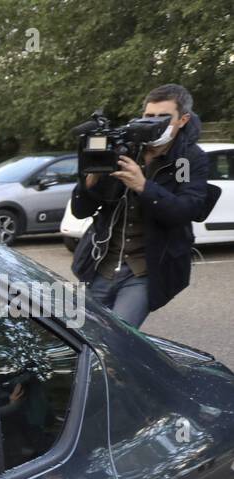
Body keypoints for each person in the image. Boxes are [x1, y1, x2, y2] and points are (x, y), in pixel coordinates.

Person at [70, 84, 218, 329]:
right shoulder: (123, 148)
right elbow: (81, 211)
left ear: (183, 119)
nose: (154, 123)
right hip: (102, 266)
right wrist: (89, 182)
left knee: (118, 339)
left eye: (163, 117)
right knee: (84, 337)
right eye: (149, 116)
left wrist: (143, 186)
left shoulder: (185, 160)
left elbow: (185, 209)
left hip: (145, 271)